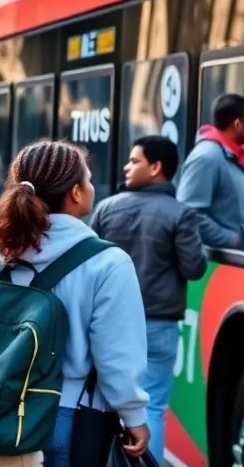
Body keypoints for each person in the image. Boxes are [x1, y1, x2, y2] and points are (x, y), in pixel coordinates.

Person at [0, 140, 150, 467]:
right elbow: (117, 357)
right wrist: (135, 417)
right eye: (87, 179)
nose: (91, 187)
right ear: (75, 193)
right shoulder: (108, 263)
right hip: (65, 419)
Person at [89, 136, 207, 467]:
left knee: (104, 400)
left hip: (108, 323)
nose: (127, 166)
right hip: (158, 323)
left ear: (156, 167)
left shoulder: (107, 208)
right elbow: (194, 268)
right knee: (152, 404)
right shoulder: (181, 214)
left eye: (134, 160)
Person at [177, 93, 244, 253]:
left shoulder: (232, 155)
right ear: (238, 124)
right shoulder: (207, 158)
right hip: (230, 263)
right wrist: (232, 240)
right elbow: (189, 213)